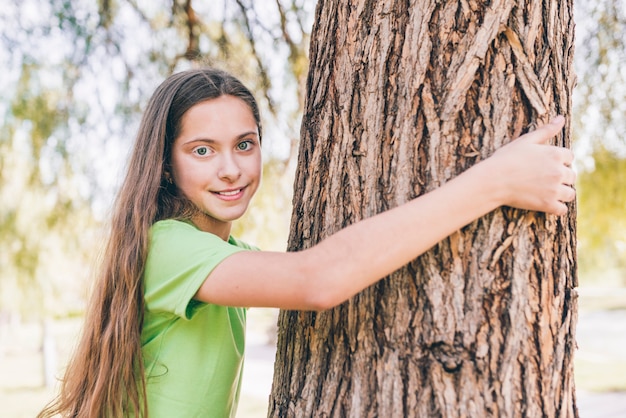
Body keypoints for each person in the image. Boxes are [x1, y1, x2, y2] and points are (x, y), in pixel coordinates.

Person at [38, 68, 576, 418]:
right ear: (165, 162)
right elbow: (317, 278)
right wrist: (494, 183)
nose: (231, 170)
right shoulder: (166, 248)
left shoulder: (227, 259)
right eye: (202, 150)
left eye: (244, 145)